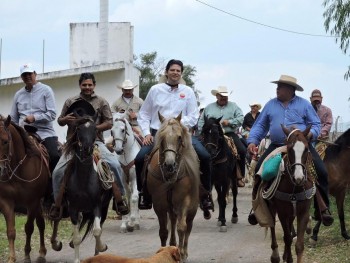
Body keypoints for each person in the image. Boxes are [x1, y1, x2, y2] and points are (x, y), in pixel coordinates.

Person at [246, 74, 333, 226]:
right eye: (277, 86)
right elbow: (260, 125)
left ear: (291, 89)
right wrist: (252, 141)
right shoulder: (270, 105)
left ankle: (323, 209)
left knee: (321, 171)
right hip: (277, 145)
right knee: (260, 169)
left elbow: (316, 124)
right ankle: (257, 208)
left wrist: (310, 135)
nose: (277, 89)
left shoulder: (304, 104)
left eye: (281, 86)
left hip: (301, 145)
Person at [135, 59, 213, 214]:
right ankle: (144, 194)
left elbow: (193, 115)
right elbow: (143, 114)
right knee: (139, 158)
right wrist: (146, 133)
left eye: (178, 70)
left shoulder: (188, 91)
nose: (175, 73)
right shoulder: (155, 90)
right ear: (166, 72)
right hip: (159, 134)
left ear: (181, 73)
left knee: (205, 156)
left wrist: (176, 125)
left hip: (181, 134)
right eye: (172, 70)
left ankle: (206, 195)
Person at [49, 72, 129, 219]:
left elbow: (109, 122)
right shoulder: (70, 101)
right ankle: (57, 205)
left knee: (115, 164)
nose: (87, 87)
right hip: (73, 144)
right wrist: (65, 119)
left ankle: (120, 200)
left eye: (90, 85)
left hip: (96, 142)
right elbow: (60, 121)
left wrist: (92, 128)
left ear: (94, 85)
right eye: (84, 85)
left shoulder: (102, 101)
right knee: (57, 172)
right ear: (80, 85)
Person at [10, 63, 60, 173]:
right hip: (23, 133)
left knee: (55, 156)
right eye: (24, 74)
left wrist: (35, 118)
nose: (27, 76)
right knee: (7, 154)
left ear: (35, 74)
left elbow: (52, 114)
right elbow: (13, 119)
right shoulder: (18, 94)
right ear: (21, 77)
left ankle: (54, 187)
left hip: (44, 133)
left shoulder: (46, 90)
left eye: (29, 73)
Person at [197, 86, 246, 187]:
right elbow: (201, 121)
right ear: (217, 96)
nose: (224, 98)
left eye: (226, 96)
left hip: (229, 133)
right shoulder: (209, 107)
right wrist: (203, 132)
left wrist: (229, 122)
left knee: (241, 150)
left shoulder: (234, 106)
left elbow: (241, 118)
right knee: (199, 151)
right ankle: (199, 175)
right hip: (210, 136)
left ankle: (239, 176)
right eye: (222, 96)